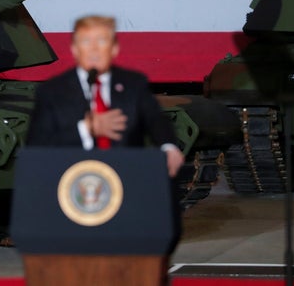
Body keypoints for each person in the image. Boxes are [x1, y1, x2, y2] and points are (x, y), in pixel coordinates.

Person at [26, 15, 185, 178]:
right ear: (74, 48)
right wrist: (85, 129)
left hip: (126, 178)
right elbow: (36, 146)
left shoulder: (134, 84)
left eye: (102, 41)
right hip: (71, 182)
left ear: (114, 48)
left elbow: (155, 119)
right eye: (86, 41)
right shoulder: (52, 91)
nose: (94, 49)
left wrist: (168, 147)